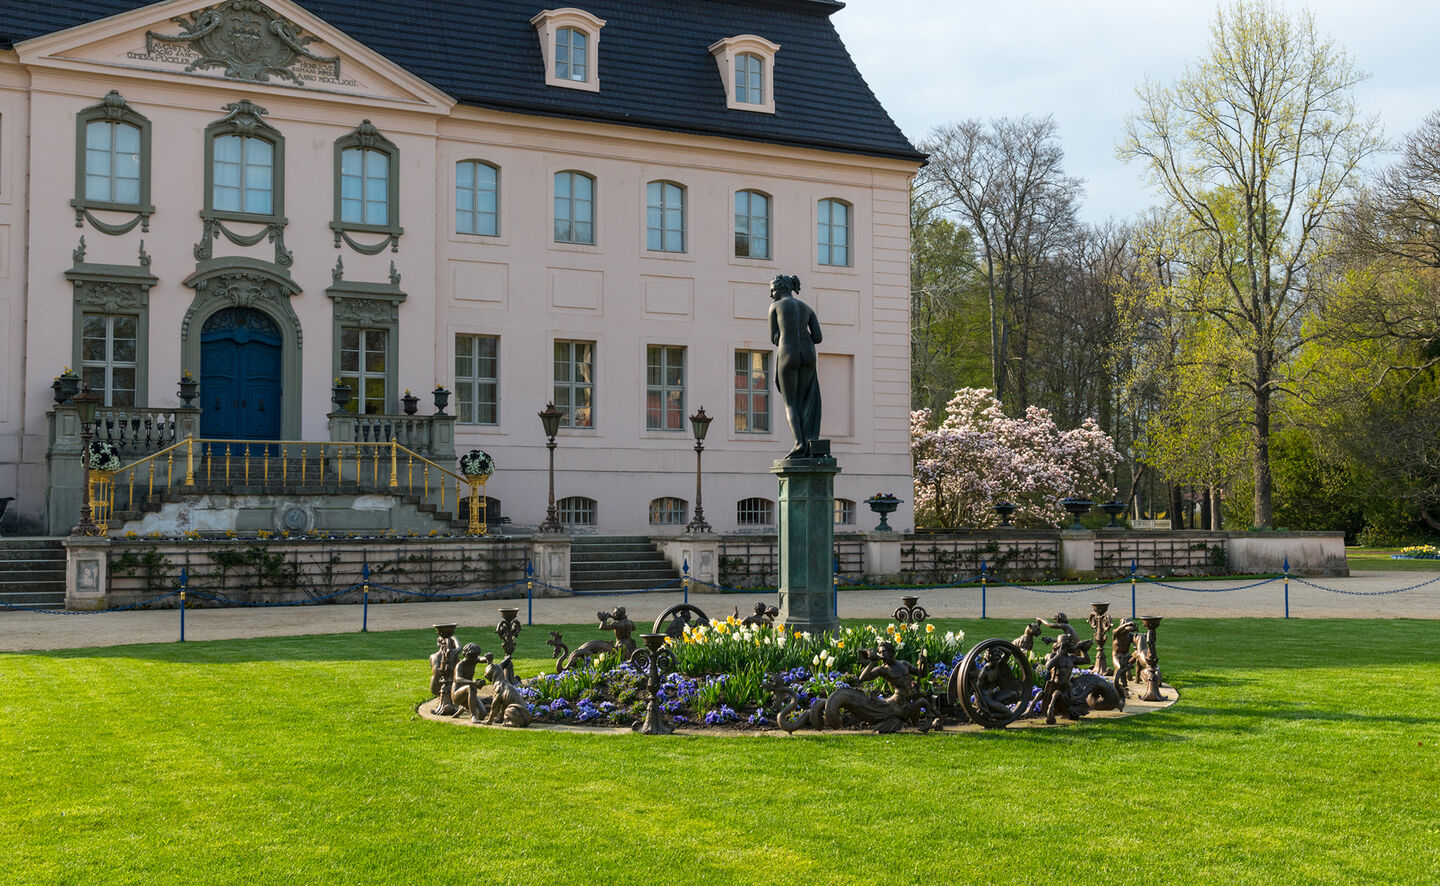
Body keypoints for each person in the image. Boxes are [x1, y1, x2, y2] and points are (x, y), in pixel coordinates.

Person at [768, 274, 823, 458]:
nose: (771, 295)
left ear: (780, 288)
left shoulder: (775, 306)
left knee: (790, 403)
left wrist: (788, 334)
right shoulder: (807, 308)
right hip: (808, 354)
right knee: (805, 400)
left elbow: (774, 337)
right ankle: (808, 441)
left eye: (772, 290)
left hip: (788, 353)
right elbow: (818, 337)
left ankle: (799, 443)